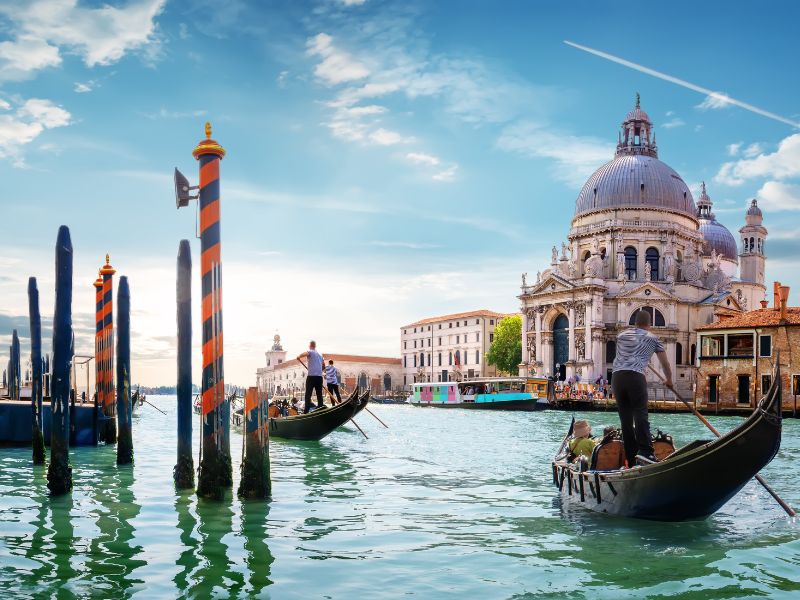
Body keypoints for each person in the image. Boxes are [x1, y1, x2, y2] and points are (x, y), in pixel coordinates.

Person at [611, 309, 673, 466]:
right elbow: (665, 363)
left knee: (625, 419)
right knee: (640, 414)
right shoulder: (653, 338)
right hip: (635, 376)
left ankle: (631, 458)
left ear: (635, 322)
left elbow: (624, 355)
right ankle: (645, 453)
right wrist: (669, 380)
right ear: (649, 324)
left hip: (617, 377)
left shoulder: (621, 336)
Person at [301, 341, 325, 413]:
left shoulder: (310, 351)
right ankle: (320, 407)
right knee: (319, 394)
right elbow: (324, 366)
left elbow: (305, 353)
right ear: (315, 346)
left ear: (310, 345)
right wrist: (318, 370)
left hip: (311, 377)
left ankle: (306, 411)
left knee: (308, 394)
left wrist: (298, 356)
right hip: (319, 377)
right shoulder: (320, 354)